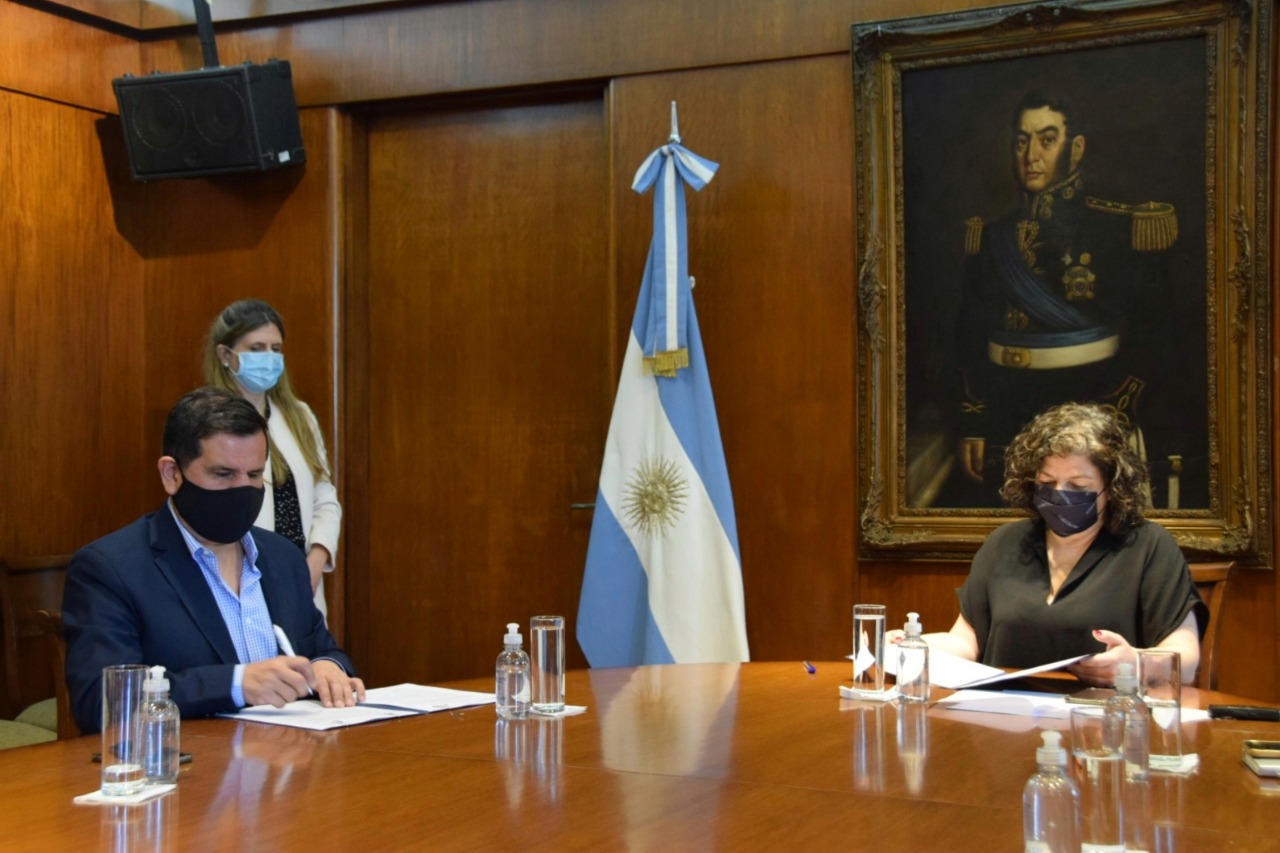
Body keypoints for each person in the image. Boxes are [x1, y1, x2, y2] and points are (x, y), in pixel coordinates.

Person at [63, 387, 364, 733]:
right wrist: (237, 684)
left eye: (254, 475)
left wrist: (328, 668)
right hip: (192, 771)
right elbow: (102, 702)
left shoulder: (282, 557)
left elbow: (323, 648)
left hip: (290, 763)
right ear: (171, 475)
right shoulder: (111, 568)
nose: (242, 490)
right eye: (223, 475)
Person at [944, 90, 1188, 507]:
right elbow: (970, 337)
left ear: (1075, 150)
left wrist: (1111, 418)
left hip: (1091, 407)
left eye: (1047, 139)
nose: (1031, 156)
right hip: (1005, 415)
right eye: (1022, 141)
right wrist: (975, 422)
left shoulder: (1118, 230)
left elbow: (1154, 338)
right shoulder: (992, 237)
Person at [898, 402, 1206, 686]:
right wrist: (912, 645)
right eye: (1047, 483)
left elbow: (1186, 660)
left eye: (1078, 486)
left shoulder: (1148, 546)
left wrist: (1136, 663)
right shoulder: (1005, 543)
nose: (1060, 494)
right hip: (1002, 717)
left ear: (1112, 488)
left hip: (1103, 723)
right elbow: (966, 642)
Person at [206, 299, 341, 618]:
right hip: (241, 581)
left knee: (312, 663)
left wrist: (315, 562)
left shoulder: (299, 416)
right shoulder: (208, 421)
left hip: (303, 579)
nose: (268, 358)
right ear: (226, 355)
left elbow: (325, 498)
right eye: (256, 348)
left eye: (276, 349)